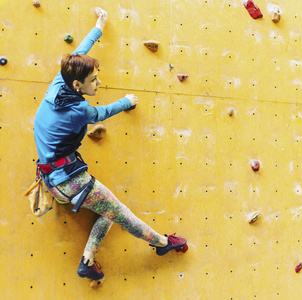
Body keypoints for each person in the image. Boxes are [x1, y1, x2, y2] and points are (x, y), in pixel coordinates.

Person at [33, 7, 187, 281]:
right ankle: (163, 244)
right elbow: (101, 113)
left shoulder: (59, 83)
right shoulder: (78, 110)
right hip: (71, 183)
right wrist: (126, 102)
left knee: (108, 212)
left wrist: (99, 26)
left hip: (52, 180)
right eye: (94, 80)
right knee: (122, 213)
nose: (99, 83)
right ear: (78, 85)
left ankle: (87, 261)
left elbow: (80, 50)